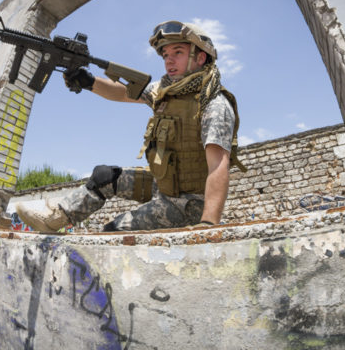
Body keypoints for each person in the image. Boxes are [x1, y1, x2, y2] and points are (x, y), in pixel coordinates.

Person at [16, 20, 246, 232]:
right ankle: (54, 217)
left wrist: (208, 225)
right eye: (165, 54)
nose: (168, 60)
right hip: (163, 186)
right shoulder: (164, 92)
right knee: (105, 176)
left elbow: (219, 167)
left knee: (113, 232)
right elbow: (125, 93)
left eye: (178, 52)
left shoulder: (213, 103)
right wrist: (89, 82)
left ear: (201, 57)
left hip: (189, 204)